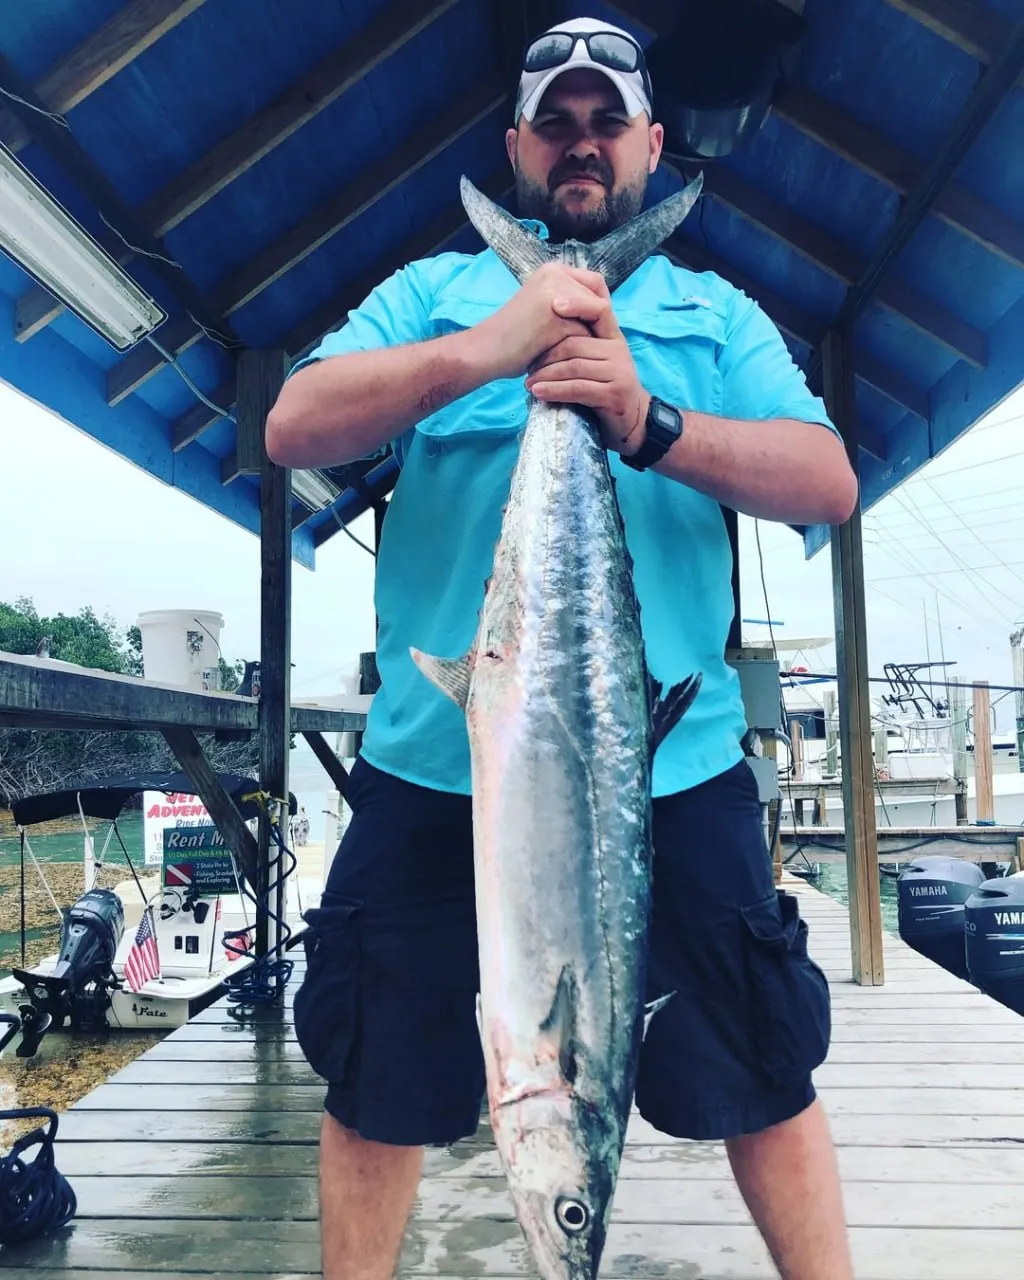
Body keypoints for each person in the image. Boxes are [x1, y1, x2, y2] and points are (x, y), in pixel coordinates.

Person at [267, 17, 858, 1280]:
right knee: (378, 1071)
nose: (581, 145)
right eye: (557, 124)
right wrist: (495, 346)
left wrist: (644, 416)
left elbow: (825, 481)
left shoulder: (712, 312)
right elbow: (294, 424)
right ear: (517, 146)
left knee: (757, 1061)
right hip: (433, 771)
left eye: (606, 123)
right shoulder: (431, 295)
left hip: (668, 776)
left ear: (651, 141)